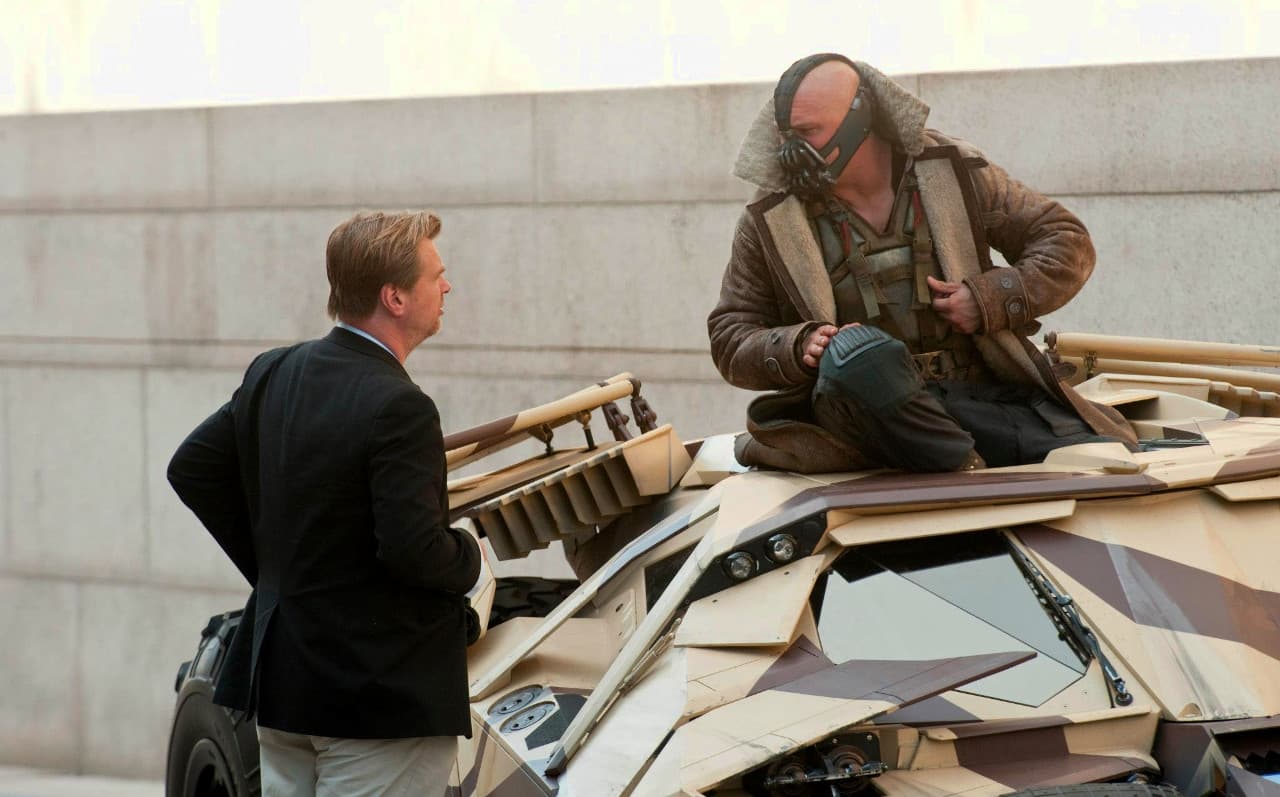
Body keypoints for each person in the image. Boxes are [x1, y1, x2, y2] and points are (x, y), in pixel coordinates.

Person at [168, 210, 481, 797]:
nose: (447, 286)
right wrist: (471, 556)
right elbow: (414, 550)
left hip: (286, 689)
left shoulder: (273, 371)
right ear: (394, 297)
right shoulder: (402, 407)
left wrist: (278, 575)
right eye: (435, 275)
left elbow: (193, 467)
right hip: (379, 704)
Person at [708, 54, 1135, 473]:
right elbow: (731, 334)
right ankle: (959, 467)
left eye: (808, 133)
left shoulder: (953, 171)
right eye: (787, 137)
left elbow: (1065, 240)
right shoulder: (770, 218)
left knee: (1101, 454)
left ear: (859, 120)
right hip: (858, 422)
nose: (792, 152)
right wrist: (800, 345)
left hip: (973, 399)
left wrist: (988, 299)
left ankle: (953, 458)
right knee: (856, 355)